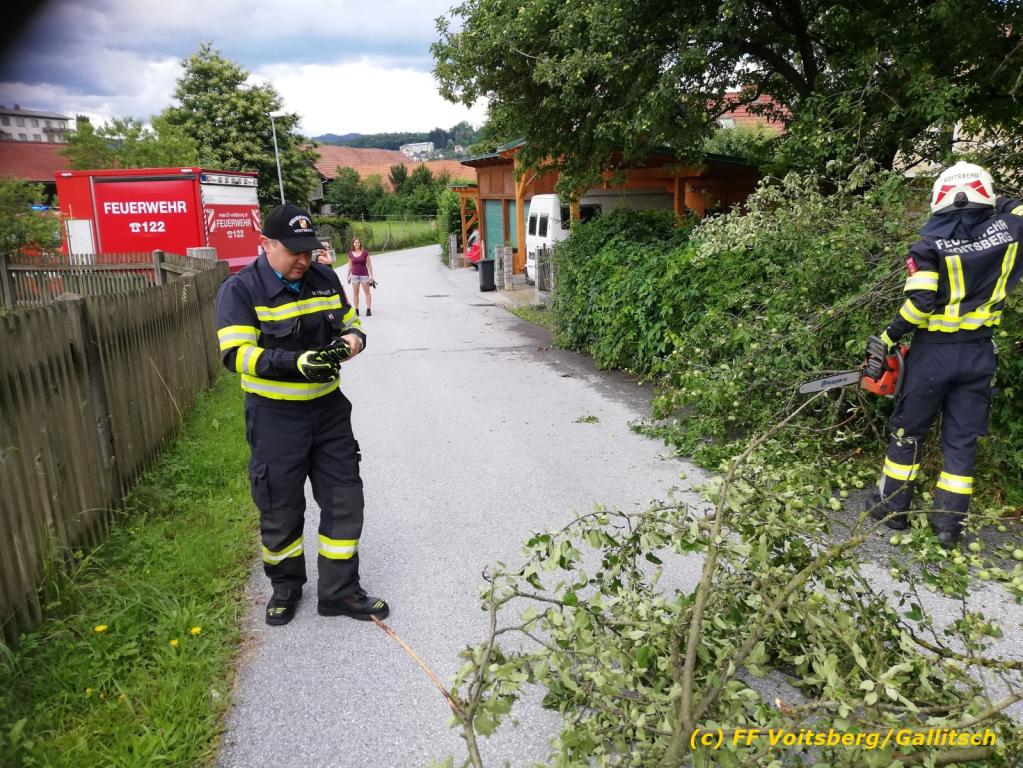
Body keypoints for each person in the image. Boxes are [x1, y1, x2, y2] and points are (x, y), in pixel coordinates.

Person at [214, 203, 389, 625]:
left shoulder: (324, 279)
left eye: (308, 250)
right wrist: (295, 363)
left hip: (329, 413)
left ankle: (339, 592)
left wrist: (349, 344)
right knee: (281, 507)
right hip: (275, 418)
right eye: (293, 251)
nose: (303, 260)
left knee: (345, 499)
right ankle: (286, 587)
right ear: (266, 244)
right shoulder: (240, 290)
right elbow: (236, 354)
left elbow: (352, 326)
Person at [867, 162, 1023, 548]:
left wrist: (888, 337)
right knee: (962, 438)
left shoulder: (928, 246)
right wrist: (996, 202)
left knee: (908, 432)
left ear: (939, 199)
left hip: (932, 355)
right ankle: (949, 525)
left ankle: (892, 508)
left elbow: (920, 304)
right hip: (978, 354)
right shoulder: (1011, 232)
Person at [346, 237, 375, 316]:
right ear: (353, 244)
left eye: (358, 242)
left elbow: (369, 265)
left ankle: (368, 309)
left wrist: (371, 276)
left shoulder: (365, 252)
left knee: (367, 292)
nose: (357, 244)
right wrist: (348, 276)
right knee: (356, 293)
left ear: (360, 243)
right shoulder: (350, 253)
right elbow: (350, 266)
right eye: (355, 242)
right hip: (354, 275)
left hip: (364, 275)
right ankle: (356, 310)